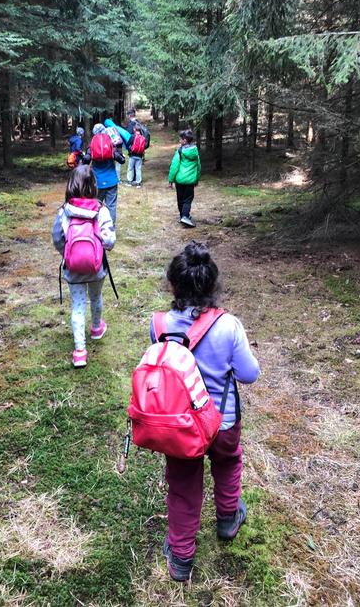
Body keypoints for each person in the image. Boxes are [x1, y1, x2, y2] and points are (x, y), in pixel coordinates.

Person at [150, 241, 260, 581]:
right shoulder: (229, 326)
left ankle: (181, 557)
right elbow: (249, 374)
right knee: (227, 462)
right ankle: (227, 519)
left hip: (180, 424)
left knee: (183, 485)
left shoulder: (159, 325)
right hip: (222, 422)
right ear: (213, 285)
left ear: (173, 285)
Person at [52, 165, 115, 368]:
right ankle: (96, 328)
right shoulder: (101, 210)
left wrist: (68, 255)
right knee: (96, 297)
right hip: (96, 268)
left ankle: (80, 351)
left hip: (73, 270)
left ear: (71, 185)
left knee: (78, 306)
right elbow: (110, 241)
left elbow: (57, 238)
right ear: (94, 185)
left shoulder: (64, 211)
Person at [83, 123, 125, 227]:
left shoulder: (92, 145)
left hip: (97, 182)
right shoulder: (110, 143)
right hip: (111, 181)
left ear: (94, 133)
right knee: (111, 206)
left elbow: (86, 160)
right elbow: (122, 160)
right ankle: (110, 228)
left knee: (96, 206)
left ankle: (96, 228)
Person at [168, 129, 201, 227]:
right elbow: (198, 166)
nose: (179, 141)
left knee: (180, 199)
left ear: (185, 140)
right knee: (187, 199)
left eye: (180, 139)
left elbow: (174, 166)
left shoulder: (179, 151)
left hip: (180, 180)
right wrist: (196, 179)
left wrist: (170, 180)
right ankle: (185, 216)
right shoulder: (195, 151)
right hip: (190, 181)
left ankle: (183, 216)